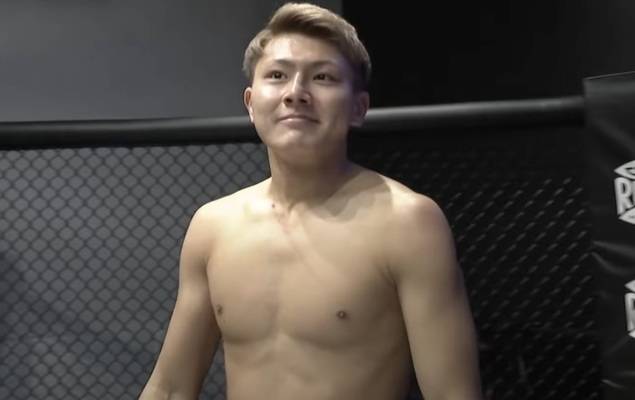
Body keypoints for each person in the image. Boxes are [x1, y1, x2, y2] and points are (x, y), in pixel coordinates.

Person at [139, 3, 483, 400]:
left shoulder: (408, 223)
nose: (295, 93)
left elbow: (453, 394)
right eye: (277, 75)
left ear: (358, 108)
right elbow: (170, 388)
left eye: (322, 77)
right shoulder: (212, 226)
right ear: (250, 103)